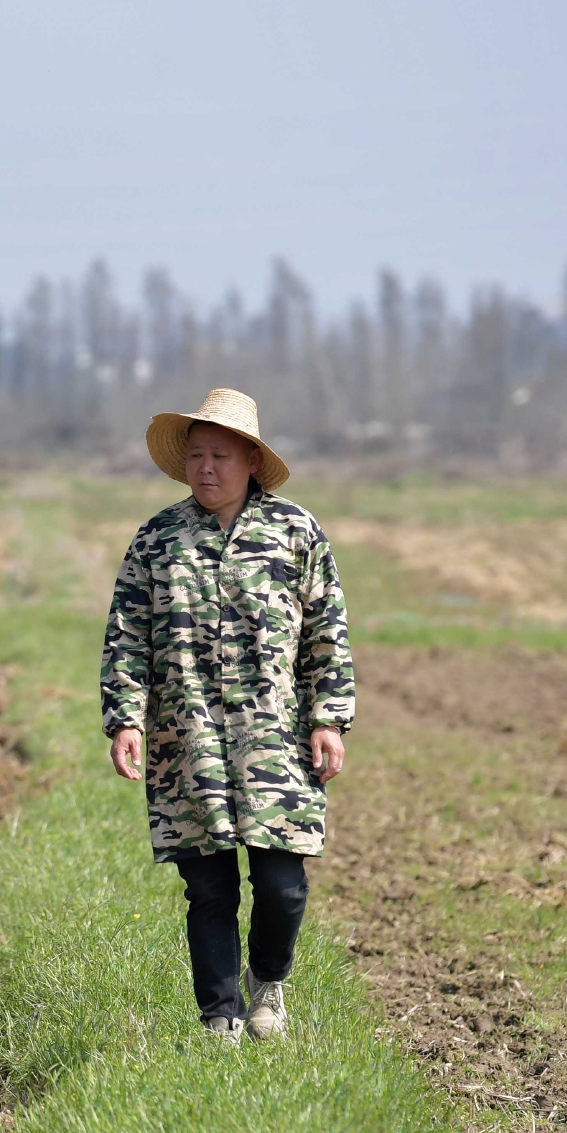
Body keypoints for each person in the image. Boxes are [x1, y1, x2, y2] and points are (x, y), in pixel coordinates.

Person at [98, 388, 355, 1044]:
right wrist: (125, 719)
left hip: (277, 743)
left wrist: (328, 719)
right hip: (187, 744)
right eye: (195, 456)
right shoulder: (158, 541)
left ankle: (268, 978)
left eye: (218, 455)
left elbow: (327, 632)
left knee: (282, 883)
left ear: (249, 459)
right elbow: (127, 634)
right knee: (209, 888)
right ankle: (221, 1019)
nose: (205, 467)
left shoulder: (297, 534)